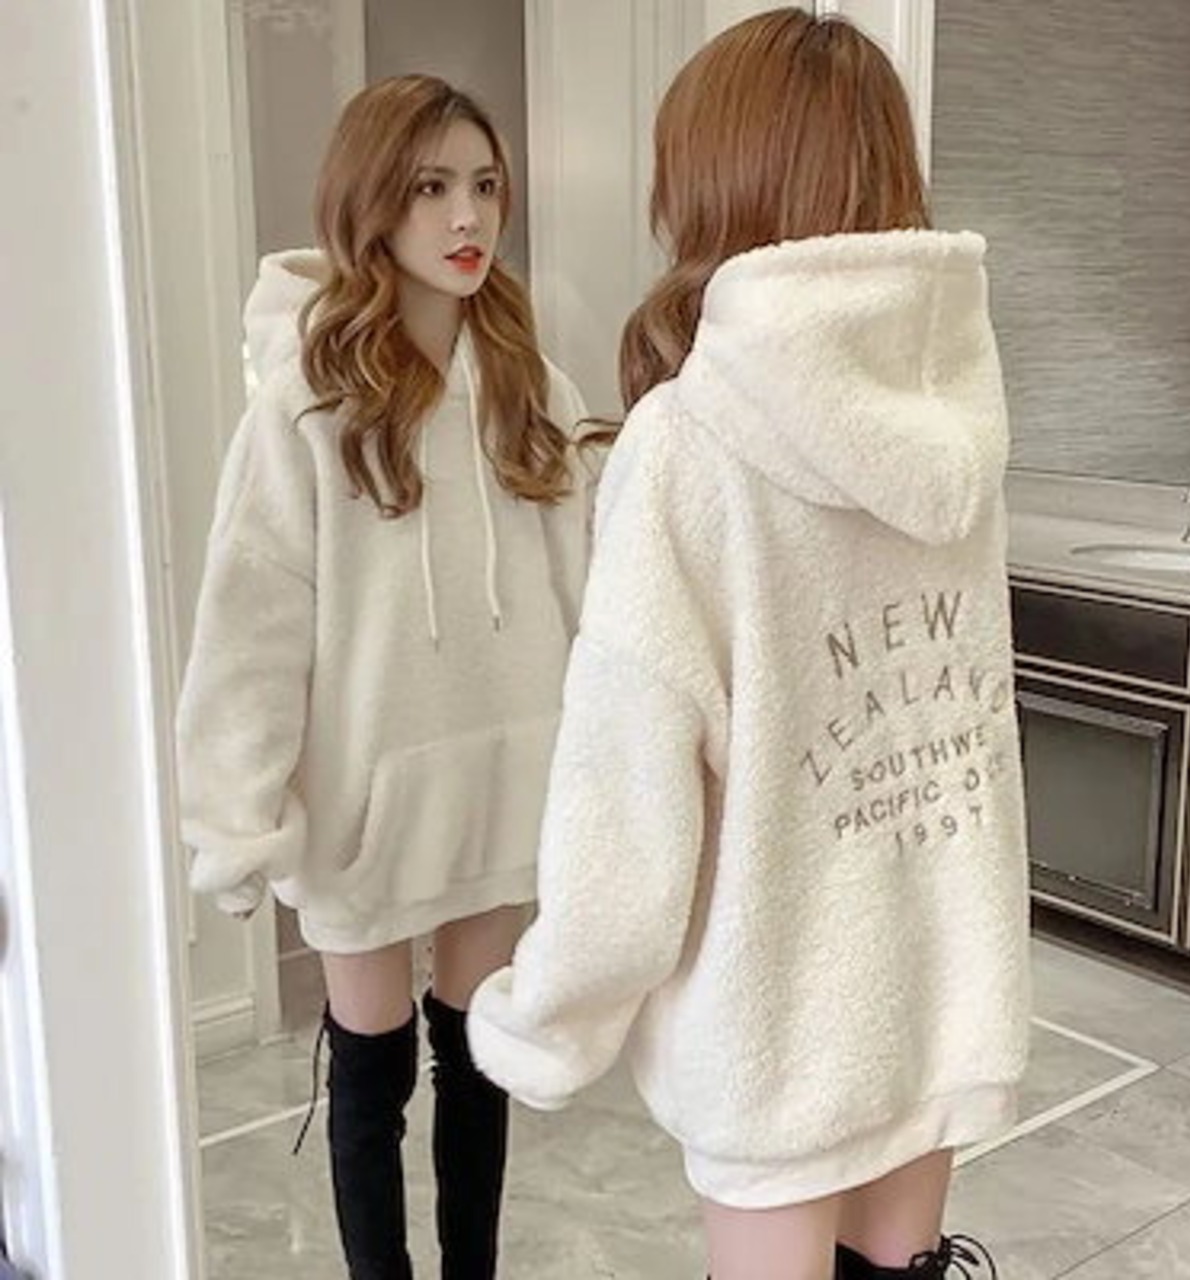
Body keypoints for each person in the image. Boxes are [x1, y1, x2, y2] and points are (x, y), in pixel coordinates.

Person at [466, 10, 1029, 1280]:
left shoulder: (685, 444)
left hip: (774, 1017)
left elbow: (627, 791)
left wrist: (550, 1011)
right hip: (940, 983)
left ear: (712, 180)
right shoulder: (958, 416)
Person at [176, 75, 597, 1280]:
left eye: (484, 185)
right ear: (372, 203)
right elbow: (252, 620)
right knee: (370, 1070)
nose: (467, 217)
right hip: (362, 802)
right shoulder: (306, 403)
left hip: (500, 779)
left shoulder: (532, 388)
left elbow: (584, 593)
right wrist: (235, 813)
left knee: (477, 1064)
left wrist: (597, 770)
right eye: (429, 187)